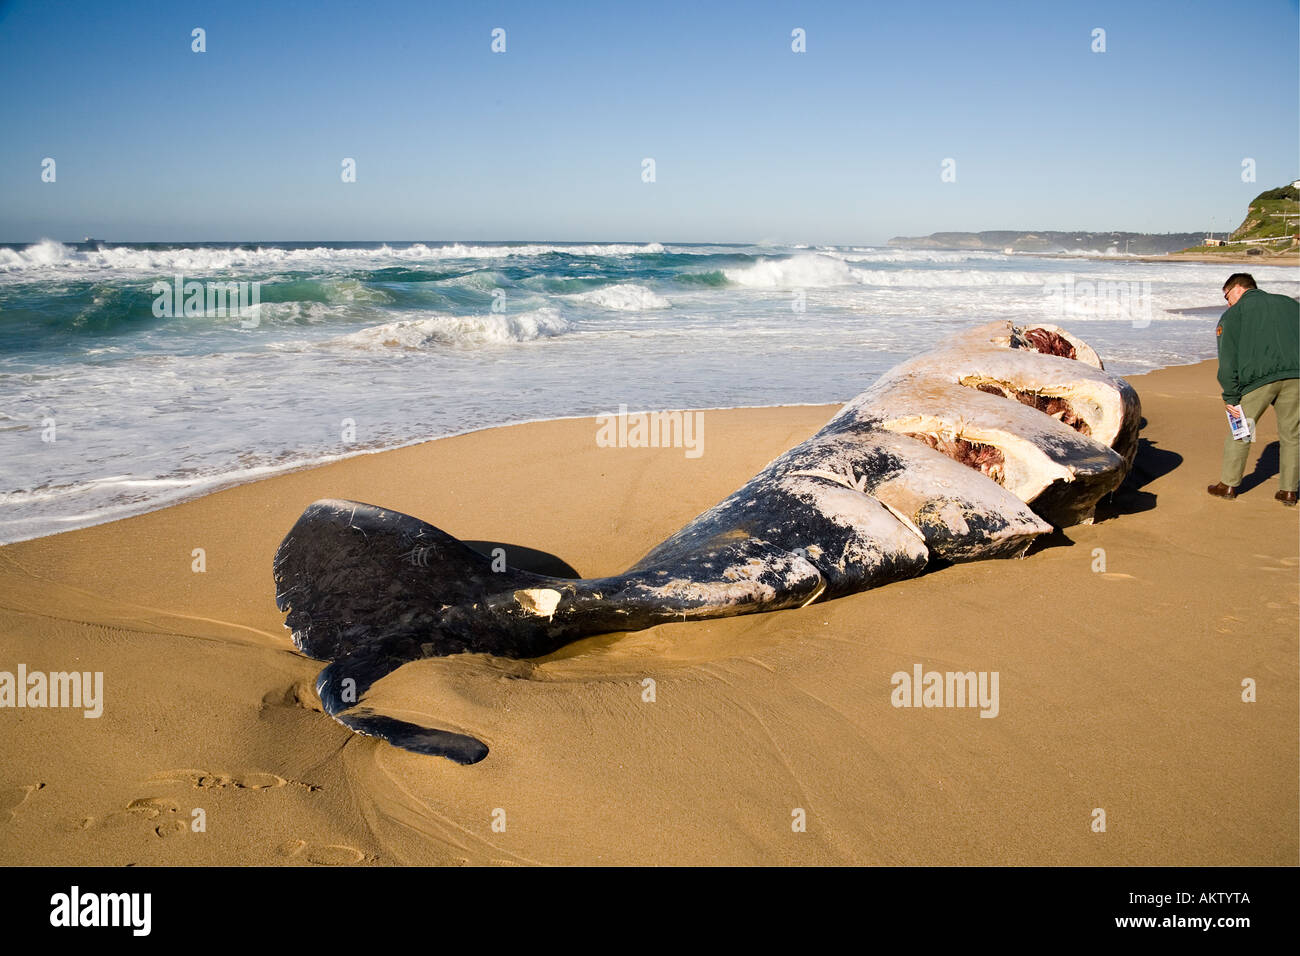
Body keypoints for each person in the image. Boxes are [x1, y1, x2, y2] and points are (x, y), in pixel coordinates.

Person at [1206, 273, 1300, 504]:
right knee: (1292, 436)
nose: (1227, 303)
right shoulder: (1290, 304)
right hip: (1296, 377)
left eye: (1227, 297)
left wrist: (1230, 395)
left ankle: (1228, 485)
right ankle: (1288, 491)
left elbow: (1228, 359)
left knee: (1241, 431)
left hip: (1258, 381)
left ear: (1238, 288)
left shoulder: (1233, 315)